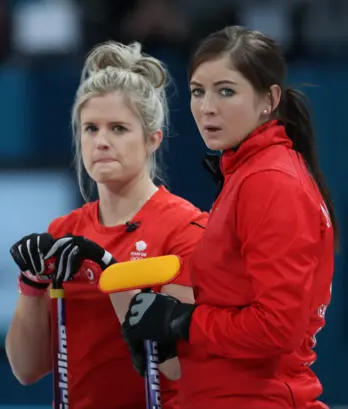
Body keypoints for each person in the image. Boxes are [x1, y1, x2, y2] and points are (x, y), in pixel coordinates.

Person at [120, 26, 336, 409]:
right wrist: (170, 324)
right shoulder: (250, 172)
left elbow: (277, 328)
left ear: (268, 99)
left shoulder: (269, 181)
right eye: (197, 91)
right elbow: (230, 287)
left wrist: (182, 321)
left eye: (226, 91)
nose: (207, 108)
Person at [5, 41, 208, 409]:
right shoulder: (63, 229)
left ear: (152, 139)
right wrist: (31, 284)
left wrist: (109, 273)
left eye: (118, 128)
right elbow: (26, 368)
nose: (101, 142)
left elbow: (178, 367)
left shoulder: (186, 227)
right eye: (91, 129)